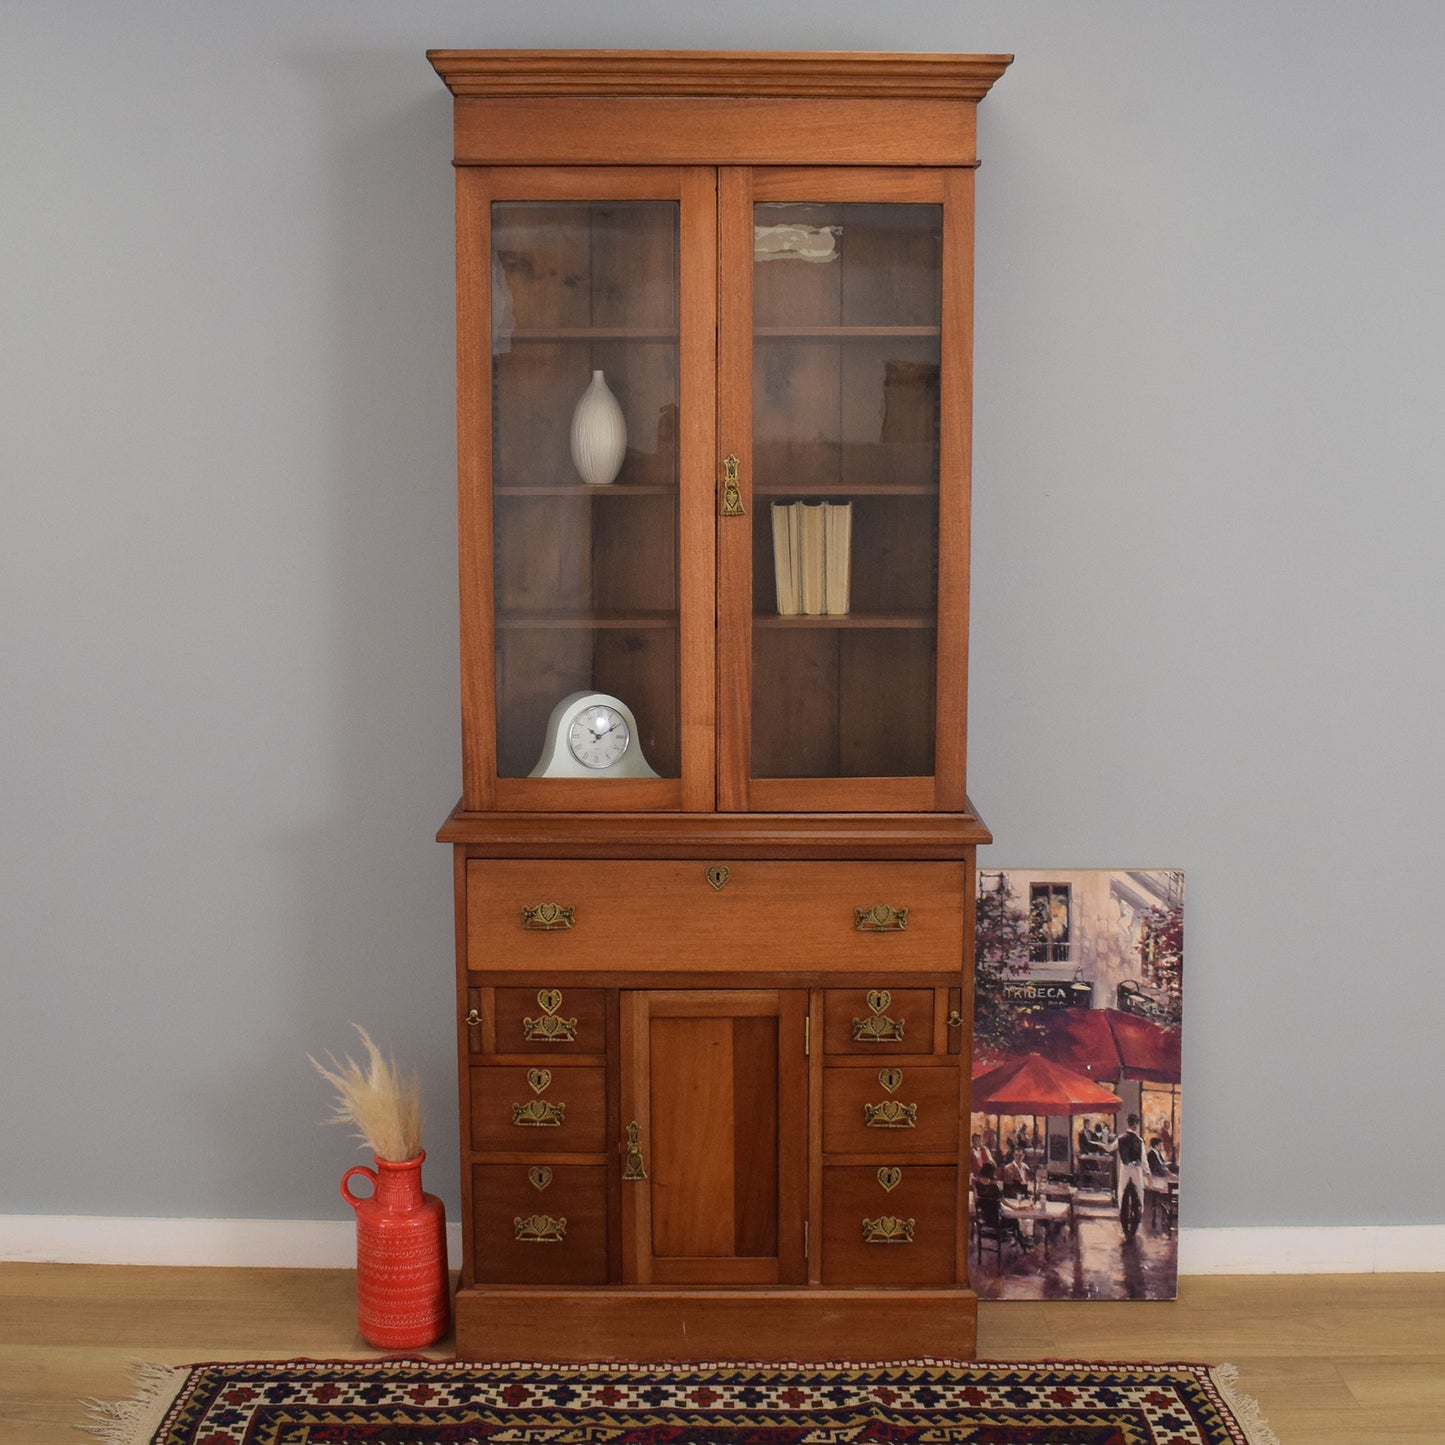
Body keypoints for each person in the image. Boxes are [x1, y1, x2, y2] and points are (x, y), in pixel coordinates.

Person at [974, 1162, 1030, 1250]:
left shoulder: (977, 1186)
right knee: (1014, 1221)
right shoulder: (994, 1187)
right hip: (997, 1222)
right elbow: (1004, 1202)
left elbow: (976, 1201)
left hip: (985, 1220)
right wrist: (1017, 1207)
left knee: (1009, 1220)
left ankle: (1021, 1243)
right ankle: (1023, 1245)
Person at [1108, 1113, 1147, 1237]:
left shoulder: (1120, 1138)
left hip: (1125, 1170)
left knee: (1122, 1193)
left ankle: (1125, 1226)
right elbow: (1144, 1160)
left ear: (1128, 1123)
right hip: (1136, 1171)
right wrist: (1148, 1174)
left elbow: (1110, 1149)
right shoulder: (1140, 1141)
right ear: (1136, 1125)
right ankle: (1136, 1222)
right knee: (1139, 1196)